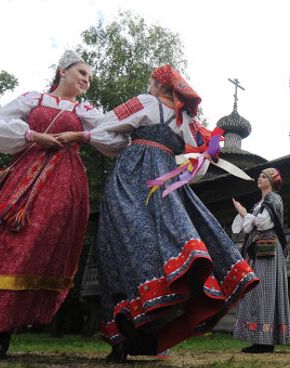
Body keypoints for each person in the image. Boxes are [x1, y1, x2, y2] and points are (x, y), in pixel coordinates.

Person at [0, 50, 112, 360]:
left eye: (90, 78)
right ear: (62, 71)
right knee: (7, 242)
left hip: (64, 182)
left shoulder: (86, 110)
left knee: (37, 246)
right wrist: (33, 135)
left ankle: (12, 325)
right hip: (25, 175)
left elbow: (112, 132)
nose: (86, 80)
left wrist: (79, 132)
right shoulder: (33, 99)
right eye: (82, 73)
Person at [95, 65, 259, 361]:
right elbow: (199, 166)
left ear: (159, 85)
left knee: (119, 246)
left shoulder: (145, 103)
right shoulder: (189, 121)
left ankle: (123, 336)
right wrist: (171, 164)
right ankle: (152, 329)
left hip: (132, 177)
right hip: (168, 182)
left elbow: (102, 130)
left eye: (150, 83)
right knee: (164, 247)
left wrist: (125, 147)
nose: (148, 87)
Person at [231, 168, 290, 353]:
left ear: (272, 181)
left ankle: (265, 341)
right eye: (259, 176)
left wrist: (242, 212)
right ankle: (259, 339)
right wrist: (244, 215)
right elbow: (246, 227)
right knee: (256, 291)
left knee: (264, 291)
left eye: (264, 176)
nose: (260, 178)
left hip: (268, 251)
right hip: (258, 250)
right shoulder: (260, 203)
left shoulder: (274, 199)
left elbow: (263, 223)